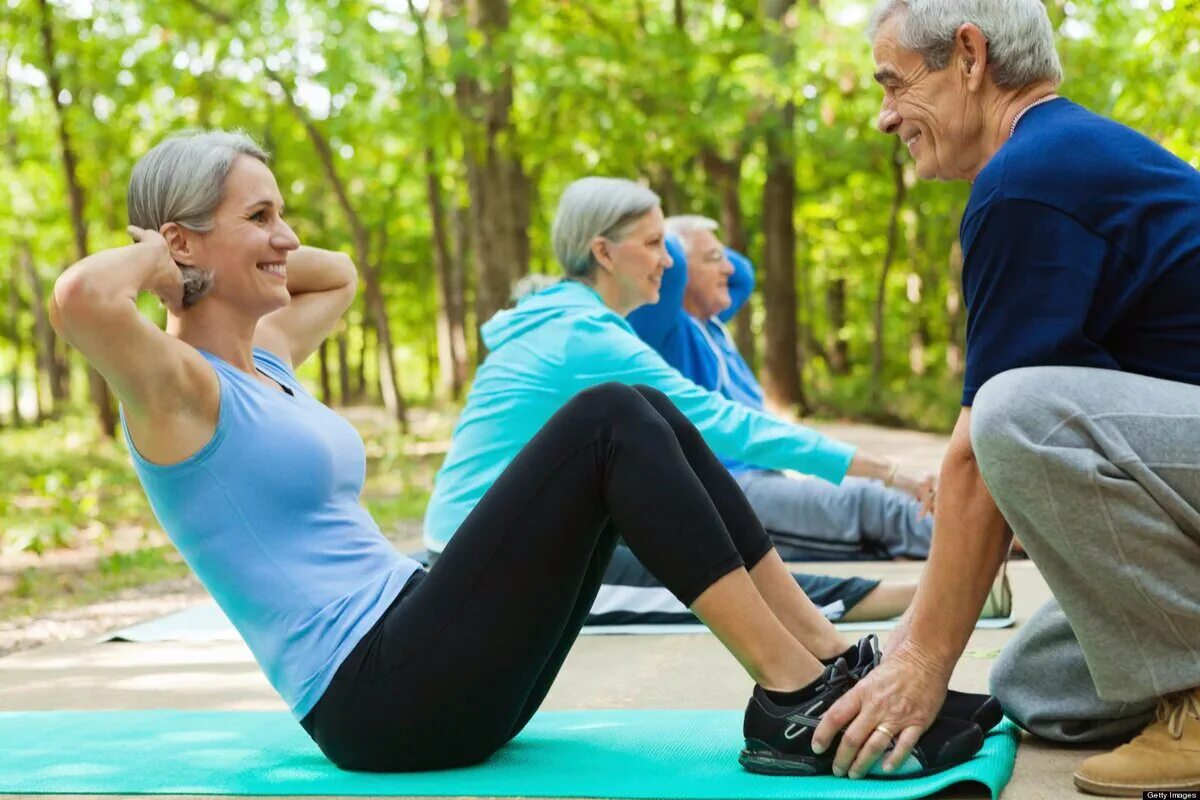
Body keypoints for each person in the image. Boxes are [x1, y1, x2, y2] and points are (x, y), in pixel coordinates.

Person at [50, 130, 987, 777]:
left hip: (425, 637)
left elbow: (336, 274)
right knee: (608, 414)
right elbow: (82, 300)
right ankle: (791, 700)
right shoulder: (180, 389)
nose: (287, 238)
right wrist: (173, 261)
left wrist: (231, 252)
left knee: (643, 409)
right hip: (378, 697)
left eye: (281, 213)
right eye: (261, 216)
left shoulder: (268, 360)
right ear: (178, 240)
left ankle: (822, 667)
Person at [808, 1, 1200, 793]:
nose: (886, 118)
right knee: (1034, 683)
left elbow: (983, 454)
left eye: (893, 85)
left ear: (969, 56)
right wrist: (903, 649)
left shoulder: (1029, 182)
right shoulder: (1059, 159)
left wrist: (921, 660)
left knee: (1016, 411)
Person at [424, 177, 937, 625]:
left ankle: (924, 598)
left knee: (695, 526)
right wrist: (889, 471)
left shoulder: (562, 319)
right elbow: (725, 424)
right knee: (720, 591)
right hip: (490, 568)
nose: (668, 262)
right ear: (603, 253)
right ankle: (928, 602)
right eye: (653, 244)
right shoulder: (585, 338)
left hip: (478, 542)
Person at [629, 215, 935, 562]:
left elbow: (743, 272)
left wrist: (705, 243)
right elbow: (675, 255)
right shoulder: (663, 331)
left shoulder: (710, 324)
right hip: (726, 490)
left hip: (760, 478)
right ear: (677, 273)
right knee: (870, 502)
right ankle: (984, 544)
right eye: (714, 259)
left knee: (875, 497)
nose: (729, 268)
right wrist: (667, 227)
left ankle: (983, 532)